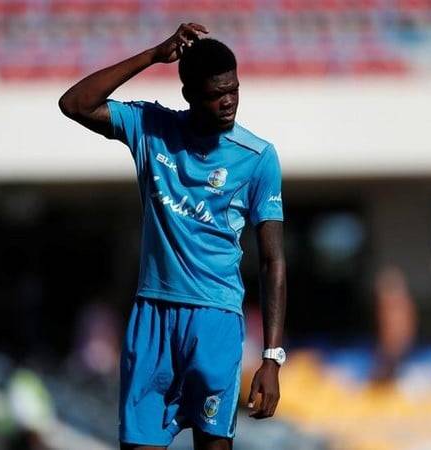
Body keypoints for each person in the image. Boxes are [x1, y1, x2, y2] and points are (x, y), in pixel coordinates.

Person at [59, 23, 287, 450]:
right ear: (188, 95)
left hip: (215, 321)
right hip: (153, 319)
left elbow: (273, 261)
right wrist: (151, 56)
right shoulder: (151, 128)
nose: (229, 102)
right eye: (217, 94)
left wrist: (272, 358)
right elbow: (74, 103)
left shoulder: (258, 158)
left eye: (234, 90)